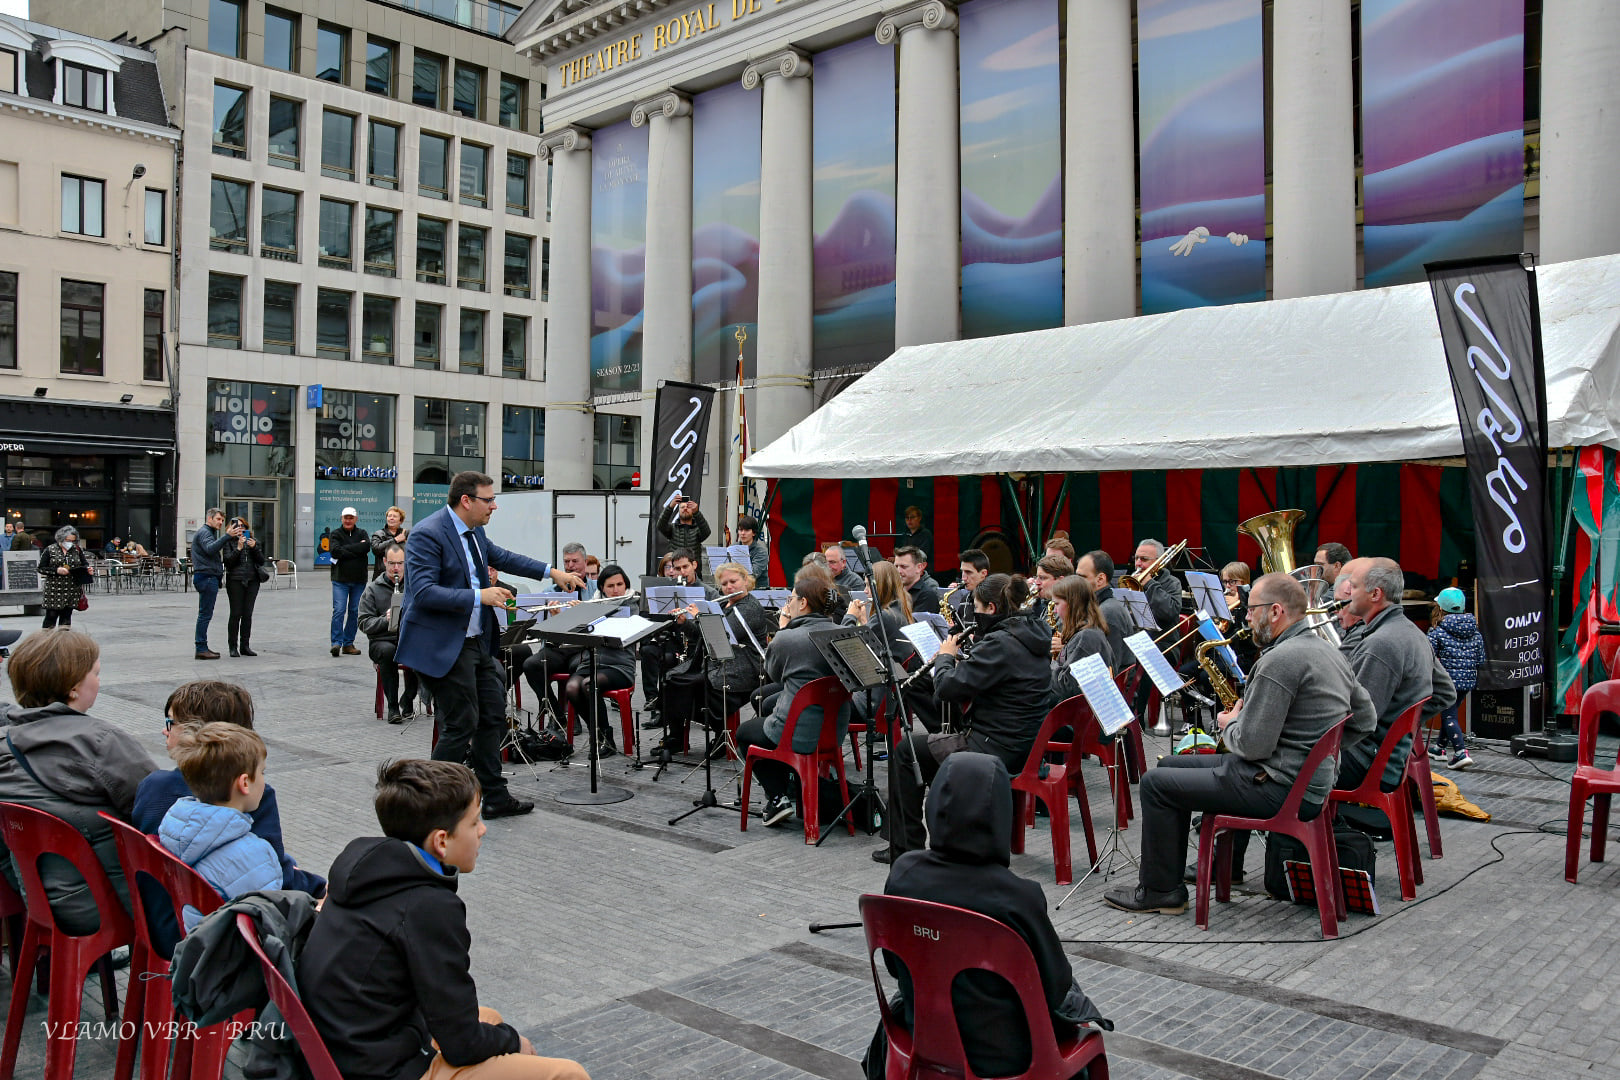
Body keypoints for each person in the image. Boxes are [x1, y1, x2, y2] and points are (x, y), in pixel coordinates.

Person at [1102, 573, 1377, 914]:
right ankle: (1181, 878)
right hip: (1301, 782)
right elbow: (1366, 720)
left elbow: (1252, 746)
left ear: (1275, 611)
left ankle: (1160, 892)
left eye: (1251, 609)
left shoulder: (1280, 660)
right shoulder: (1328, 650)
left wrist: (1229, 724)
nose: (1245, 617)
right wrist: (1315, 750)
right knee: (1169, 765)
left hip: (1278, 785)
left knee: (1155, 784)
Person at [303, 759, 591, 1080]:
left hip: (345, 1047)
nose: (482, 830)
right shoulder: (427, 906)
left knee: (490, 1017)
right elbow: (462, 1043)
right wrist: (514, 1042)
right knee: (567, 1074)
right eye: (474, 822)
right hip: (382, 1067)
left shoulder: (368, 872)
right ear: (441, 841)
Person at [867, 753, 1110, 1080]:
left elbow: (895, 966)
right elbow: (1055, 988)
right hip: (1011, 1059)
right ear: (1001, 816)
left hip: (924, 1040)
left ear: (935, 806)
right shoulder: (1019, 897)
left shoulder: (903, 874)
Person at [395, 471, 584, 819]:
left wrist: (552, 572)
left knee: (493, 716)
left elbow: (505, 557)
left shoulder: (475, 532)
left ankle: (494, 797)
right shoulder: (427, 533)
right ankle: (430, 805)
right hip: (441, 645)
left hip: (475, 643)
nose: (494, 506)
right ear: (466, 500)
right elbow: (422, 593)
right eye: (489, 499)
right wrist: (478, 596)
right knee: (460, 723)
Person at [133, 680, 324, 953]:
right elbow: (273, 878)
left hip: (159, 923)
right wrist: (321, 888)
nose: (165, 730)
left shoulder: (153, 787)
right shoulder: (252, 795)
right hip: (216, 940)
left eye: (170, 723)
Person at [884, 574, 1051, 864]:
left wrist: (945, 657)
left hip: (995, 748)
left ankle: (906, 851)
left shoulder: (1000, 643)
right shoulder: (1032, 633)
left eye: (977, 608)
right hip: (1026, 744)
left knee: (907, 751)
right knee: (928, 750)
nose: (974, 615)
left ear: (991, 608)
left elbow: (947, 689)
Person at [0, 629, 157, 934]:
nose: (98, 681)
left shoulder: (6, 744)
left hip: (37, 900)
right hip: (106, 906)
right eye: (95, 674)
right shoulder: (101, 742)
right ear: (73, 688)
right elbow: (159, 809)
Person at [737, 568, 848, 828]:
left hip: (797, 733)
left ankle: (777, 797)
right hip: (834, 731)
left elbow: (774, 675)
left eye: (791, 598)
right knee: (767, 708)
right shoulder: (842, 632)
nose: (789, 603)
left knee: (745, 732)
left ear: (803, 603)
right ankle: (791, 785)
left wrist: (783, 630)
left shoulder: (787, 638)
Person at [1335, 557, 1456, 794]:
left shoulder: (1380, 644)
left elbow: (1355, 721)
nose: (1349, 593)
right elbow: (1446, 693)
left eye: (1354, 587)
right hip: (1386, 759)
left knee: (1281, 764)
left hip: (1367, 763)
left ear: (1375, 594)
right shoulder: (1413, 632)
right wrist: (1400, 726)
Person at [158, 723, 286, 930]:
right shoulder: (255, 854)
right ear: (245, 783)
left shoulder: (175, 829)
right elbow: (271, 924)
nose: (264, 780)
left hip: (196, 939)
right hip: (234, 947)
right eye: (262, 772)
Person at [558, 564, 639, 756]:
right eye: (610, 586)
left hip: (619, 667)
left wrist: (592, 615)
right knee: (572, 687)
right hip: (591, 662)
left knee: (589, 685)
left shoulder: (631, 606)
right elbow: (577, 637)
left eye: (620, 584)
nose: (616, 590)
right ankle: (598, 733)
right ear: (602, 588)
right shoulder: (594, 604)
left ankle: (606, 737)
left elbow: (617, 638)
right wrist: (577, 616)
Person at [362, 543, 419, 723]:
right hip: (382, 640)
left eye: (400, 563)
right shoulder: (373, 589)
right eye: (392, 563)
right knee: (388, 652)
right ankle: (393, 707)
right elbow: (364, 623)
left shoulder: (413, 586)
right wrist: (385, 619)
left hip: (408, 638)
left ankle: (408, 698)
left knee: (424, 651)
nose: (396, 568)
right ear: (385, 562)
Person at [1427, 587, 1483, 769]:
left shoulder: (1437, 631)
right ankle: (1439, 748)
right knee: (1450, 712)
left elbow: (1428, 657)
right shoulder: (1475, 632)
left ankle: (1460, 752)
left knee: (1448, 715)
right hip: (1468, 681)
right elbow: (1480, 659)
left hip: (1446, 681)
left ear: (1440, 608)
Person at [1048, 574, 1115, 704]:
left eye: (1057, 604)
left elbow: (1068, 686)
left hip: (1076, 710)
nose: (1055, 611)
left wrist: (1052, 664)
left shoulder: (1087, 637)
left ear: (1072, 604)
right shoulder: (1090, 631)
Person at [1075, 550, 1135, 676]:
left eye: (1082, 577)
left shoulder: (1108, 613)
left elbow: (1110, 667)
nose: (1076, 582)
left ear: (1100, 579)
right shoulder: (1103, 606)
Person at [191, 508, 240, 660]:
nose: (220, 522)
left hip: (208, 577)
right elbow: (210, 549)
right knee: (205, 614)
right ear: (209, 518)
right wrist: (227, 536)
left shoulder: (207, 533)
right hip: (206, 577)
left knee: (205, 614)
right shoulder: (205, 533)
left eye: (222, 520)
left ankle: (202, 647)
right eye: (218, 519)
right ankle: (201, 648)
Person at [329, 507, 372, 657]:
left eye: (351, 518)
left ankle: (348, 643)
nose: (348, 520)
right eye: (346, 517)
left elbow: (366, 547)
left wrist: (345, 550)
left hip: (359, 580)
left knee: (354, 612)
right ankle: (336, 643)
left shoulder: (362, 533)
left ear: (356, 519)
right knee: (339, 610)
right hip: (340, 580)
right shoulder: (335, 534)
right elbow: (335, 552)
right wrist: (357, 549)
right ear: (341, 518)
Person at [222, 517, 266, 657]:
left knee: (247, 614)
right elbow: (228, 562)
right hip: (235, 580)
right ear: (231, 528)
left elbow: (261, 561)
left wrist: (254, 548)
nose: (240, 528)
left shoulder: (254, 541)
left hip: (252, 580)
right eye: (237, 526)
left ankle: (245, 646)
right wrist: (239, 548)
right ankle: (232, 646)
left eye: (243, 526)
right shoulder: (228, 542)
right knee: (236, 613)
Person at [38, 525, 90, 629]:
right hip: (54, 589)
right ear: (61, 539)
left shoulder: (77, 550)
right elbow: (41, 568)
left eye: (73, 541)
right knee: (51, 616)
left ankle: (64, 637)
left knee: (66, 616)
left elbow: (84, 564)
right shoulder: (50, 549)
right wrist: (56, 570)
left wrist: (87, 569)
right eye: (68, 540)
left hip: (72, 588)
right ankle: (47, 637)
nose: (70, 543)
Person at [1132, 538, 1184, 629]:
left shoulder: (1172, 582)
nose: (1138, 563)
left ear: (1158, 561)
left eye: (1144, 559)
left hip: (1161, 637)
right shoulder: (1132, 581)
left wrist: (1150, 584)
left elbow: (1169, 613)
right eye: (1136, 558)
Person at [657, 493, 711, 576]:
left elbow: (707, 532)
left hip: (694, 573)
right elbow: (660, 525)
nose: (685, 508)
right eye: (682, 507)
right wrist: (670, 507)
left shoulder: (697, 530)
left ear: (692, 511)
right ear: (678, 511)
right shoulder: (672, 528)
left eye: (688, 507)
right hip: (676, 571)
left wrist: (697, 513)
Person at [895, 546, 942, 614]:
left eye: (904, 567)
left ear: (919, 567)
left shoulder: (927, 595)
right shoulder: (894, 591)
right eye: (896, 566)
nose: (898, 571)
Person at [1029, 552, 1072, 623]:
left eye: (1042, 578)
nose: (1037, 582)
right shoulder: (1049, 603)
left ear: (1061, 580)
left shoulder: (1067, 611)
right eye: (1036, 577)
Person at [370, 506, 410, 579]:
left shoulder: (406, 534)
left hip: (403, 576)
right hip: (382, 576)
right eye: (389, 516)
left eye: (394, 516)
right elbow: (376, 550)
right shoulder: (379, 534)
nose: (391, 518)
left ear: (401, 521)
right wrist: (395, 540)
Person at [736, 515, 770, 583]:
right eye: (741, 530)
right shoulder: (733, 547)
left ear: (754, 533)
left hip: (756, 588)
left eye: (747, 530)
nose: (743, 533)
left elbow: (754, 574)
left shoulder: (761, 551)